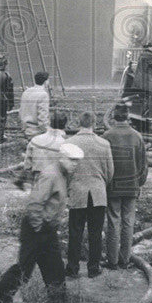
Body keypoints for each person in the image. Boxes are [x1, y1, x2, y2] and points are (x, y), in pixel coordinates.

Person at [0, 142, 81, 303]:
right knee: (23, 272)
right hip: (36, 228)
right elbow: (34, 204)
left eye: (78, 161)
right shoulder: (50, 175)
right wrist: (39, 228)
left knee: (55, 271)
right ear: (62, 158)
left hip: (47, 229)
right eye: (72, 160)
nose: (76, 164)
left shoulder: (63, 174)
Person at [65, 112, 113, 278]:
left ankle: (72, 268)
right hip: (98, 193)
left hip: (77, 192)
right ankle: (93, 268)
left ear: (79, 122)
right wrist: (100, 183)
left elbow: (66, 170)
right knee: (96, 232)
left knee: (75, 232)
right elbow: (109, 171)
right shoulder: (104, 144)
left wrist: (70, 187)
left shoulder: (69, 143)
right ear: (94, 123)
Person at [102, 101, 148, 268]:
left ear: (114, 117)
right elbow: (143, 165)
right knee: (128, 221)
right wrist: (138, 183)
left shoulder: (107, 136)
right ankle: (125, 259)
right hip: (131, 185)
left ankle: (112, 261)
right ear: (128, 117)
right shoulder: (137, 136)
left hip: (113, 186)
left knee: (113, 221)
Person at [17, 111, 68, 188]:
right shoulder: (66, 144)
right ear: (65, 125)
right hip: (57, 183)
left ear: (50, 122)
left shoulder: (35, 140)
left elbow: (27, 165)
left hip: (38, 181)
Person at [19, 71, 51, 138]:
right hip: (37, 132)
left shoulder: (26, 92)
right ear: (45, 82)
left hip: (26, 129)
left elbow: (21, 111)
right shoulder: (43, 94)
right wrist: (48, 131)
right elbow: (42, 118)